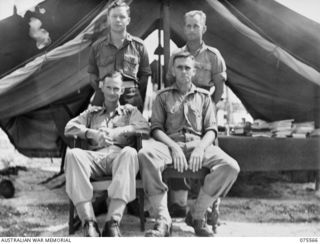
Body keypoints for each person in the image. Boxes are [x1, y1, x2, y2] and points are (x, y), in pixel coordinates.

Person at [138, 52, 239, 237]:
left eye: (187, 68)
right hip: (169, 144)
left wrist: (201, 148)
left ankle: (197, 215)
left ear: (193, 71)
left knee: (230, 166)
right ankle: (163, 219)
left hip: (198, 145)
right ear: (173, 71)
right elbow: (156, 128)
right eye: (179, 67)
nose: (184, 71)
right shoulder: (162, 96)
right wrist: (174, 147)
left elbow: (211, 129)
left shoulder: (204, 97)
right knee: (145, 155)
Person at [64, 71, 149, 237]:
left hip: (119, 159)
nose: (112, 92)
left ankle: (112, 223)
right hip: (95, 159)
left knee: (130, 153)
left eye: (116, 89)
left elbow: (145, 127)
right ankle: (89, 222)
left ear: (121, 91)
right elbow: (69, 127)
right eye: (108, 87)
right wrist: (92, 134)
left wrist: (119, 131)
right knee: (73, 154)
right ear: (102, 87)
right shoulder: (92, 113)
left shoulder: (130, 112)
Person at [166, 10, 227, 224]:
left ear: (204, 28)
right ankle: (179, 204)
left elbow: (219, 90)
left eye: (196, 26)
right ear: (184, 28)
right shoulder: (176, 55)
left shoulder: (213, 55)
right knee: (176, 153)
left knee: (212, 158)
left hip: (204, 109)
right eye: (188, 26)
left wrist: (210, 112)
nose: (192, 29)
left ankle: (211, 208)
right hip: (181, 111)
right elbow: (169, 86)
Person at [88, 0, 151, 111]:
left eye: (122, 17)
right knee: (97, 127)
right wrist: (104, 90)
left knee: (133, 127)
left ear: (128, 20)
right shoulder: (96, 47)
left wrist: (131, 91)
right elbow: (93, 76)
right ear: (108, 19)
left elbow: (144, 77)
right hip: (103, 97)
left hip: (131, 99)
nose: (118, 20)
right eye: (114, 16)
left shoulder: (139, 46)